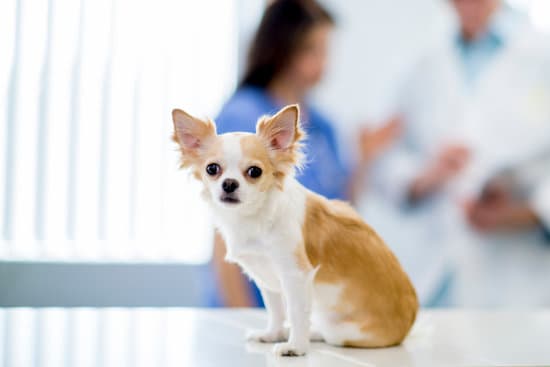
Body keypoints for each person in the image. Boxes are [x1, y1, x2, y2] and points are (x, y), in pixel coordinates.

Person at [210, 0, 401, 307]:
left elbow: (336, 212)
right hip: (252, 304)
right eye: (313, 50)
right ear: (283, 48)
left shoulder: (323, 127)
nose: (323, 64)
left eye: (326, 51)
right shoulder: (243, 117)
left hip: (303, 304)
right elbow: (225, 234)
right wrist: (244, 321)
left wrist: (364, 159)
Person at [372, 0, 550, 307]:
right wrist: (424, 176)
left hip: (519, 283)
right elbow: (385, 158)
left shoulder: (540, 54)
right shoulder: (423, 59)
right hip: (437, 278)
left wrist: (523, 214)